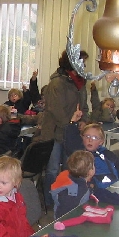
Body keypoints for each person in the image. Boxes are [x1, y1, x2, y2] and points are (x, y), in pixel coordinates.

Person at [40, 50, 89, 209]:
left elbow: (84, 106)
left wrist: (83, 121)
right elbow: (56, 110)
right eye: (82, 62)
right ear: (72, 63)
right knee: (53, 169)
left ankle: (68, 200)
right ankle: (50, 202)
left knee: (71, 168)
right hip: (55, 132)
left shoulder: (81, 83)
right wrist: (70, 121)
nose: (84, 65)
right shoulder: (57, 83)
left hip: (72, 132)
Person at [65, 106, 119, 189]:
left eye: (95, 138)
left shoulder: (107, 154)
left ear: (101, 141)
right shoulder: (80, 156)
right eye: (87, 136)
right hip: (95, 190)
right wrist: (73, 122)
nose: (90, 140)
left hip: (114, 187)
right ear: (82, 138)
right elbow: (70, 142)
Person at [50, 150, 95, 219]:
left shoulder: (66, 175)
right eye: (94, 165)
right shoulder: (81, 191)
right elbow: (71, 214)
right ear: (90, 172)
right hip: (68, 221)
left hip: (59, 215)